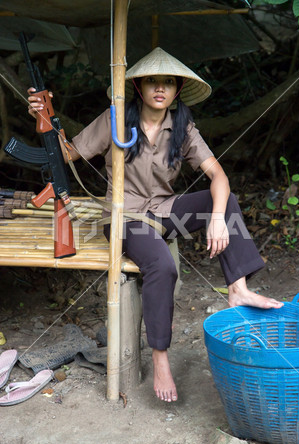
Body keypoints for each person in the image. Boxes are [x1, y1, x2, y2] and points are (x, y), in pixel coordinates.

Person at [28, 47, 284, 403]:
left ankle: (237, 287)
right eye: (152, 81)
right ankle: (160, 357)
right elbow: (68, 152)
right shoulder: (115, 119)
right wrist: (44, 117)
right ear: (139, 87)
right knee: (161, 265)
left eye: (167, 82)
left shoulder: (182, 128)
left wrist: (217, 221)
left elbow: (218, 176)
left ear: (177, 90)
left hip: (165, 211)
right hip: (124, 217)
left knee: (224, 201)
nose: (160, 88)